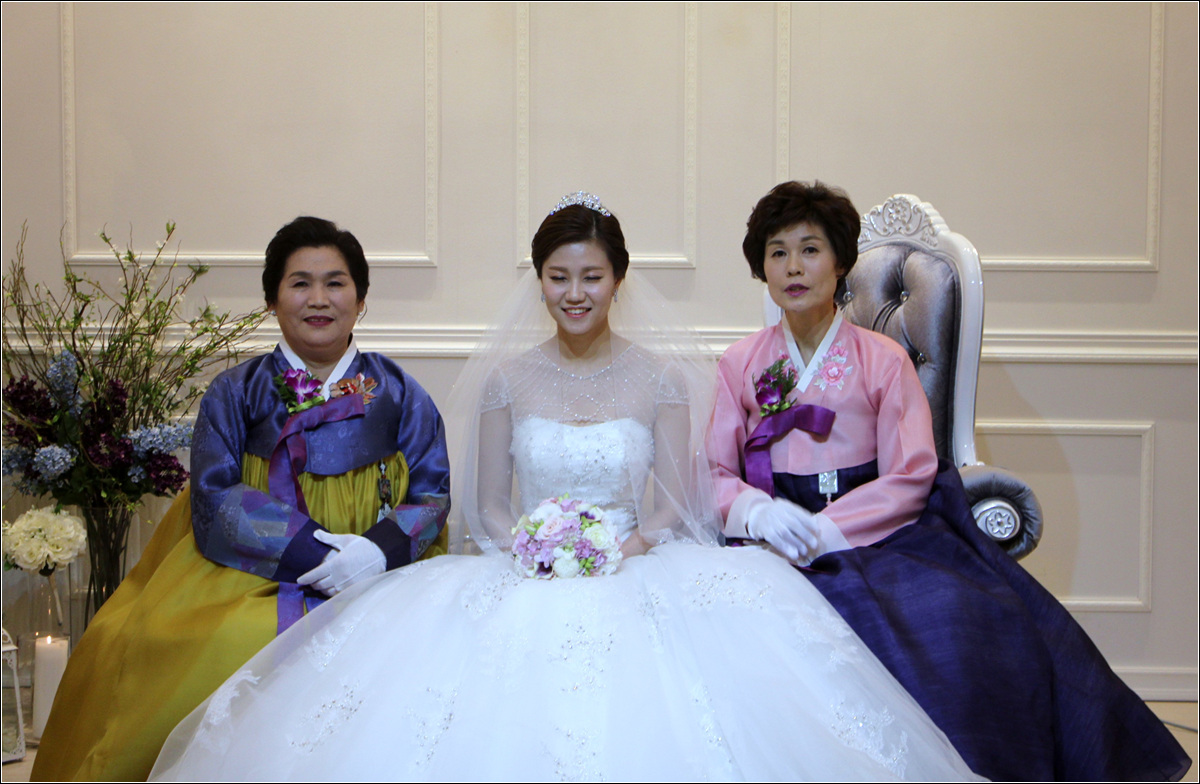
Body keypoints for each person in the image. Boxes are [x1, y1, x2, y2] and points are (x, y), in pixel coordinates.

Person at [148, 193, 981, 782]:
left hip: (637, 561)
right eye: (557, 276)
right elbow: (486, 502)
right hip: (524, 567)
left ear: (618, 279)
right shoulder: (508, 380)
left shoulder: (661, 379)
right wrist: (529, 546)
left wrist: (629, 544)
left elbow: (674, 499)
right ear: (539, 281)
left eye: (590, 276)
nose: (574, 293)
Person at [708, 180, 1192, 781]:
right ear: (761, 268)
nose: (793, 267)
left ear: (840, 262)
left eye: (810, 249)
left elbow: (912, 471)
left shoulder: (882, 358)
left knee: (960, 616)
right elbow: (717, 471)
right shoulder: (740, 363)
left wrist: (827, 531)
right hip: (772, 534)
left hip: (874, 527)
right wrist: (759, 515)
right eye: (777, 252)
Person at [31, 217, 451, 782]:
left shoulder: (399, 392)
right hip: (249, 567)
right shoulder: (235, 391)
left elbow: (431, 492)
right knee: (177, 643)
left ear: (361, 298)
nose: (319, 298)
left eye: (335, 283)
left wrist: (372, 554)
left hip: (378, 568)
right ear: (272, 299)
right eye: (300, 283)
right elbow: (213, 497)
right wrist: (319, 554)